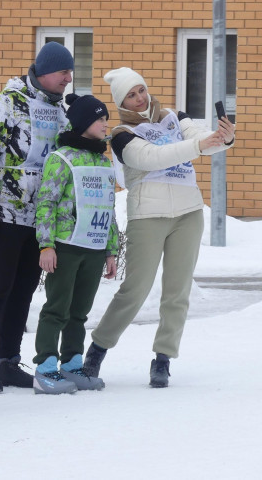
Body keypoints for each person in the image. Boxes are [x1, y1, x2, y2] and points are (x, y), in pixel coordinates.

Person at [83, 67, 235, 388]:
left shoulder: (172, 115)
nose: (140, 98)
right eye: (131, 95)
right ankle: (98, 349)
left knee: (177, 292)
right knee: (134, 291)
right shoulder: (122, 134)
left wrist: (225, 137)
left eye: (141, 90)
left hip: (188, 212)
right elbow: (152, 157)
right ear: (122, 102)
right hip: (148, 215)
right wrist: (199, 146)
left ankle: (163, 359)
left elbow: (203, 139)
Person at [0, 41, 73, 393]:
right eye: (63, 72)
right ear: (44, 70)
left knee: (24, 289)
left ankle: (8, 360)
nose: (68, 79)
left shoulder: (60, 112)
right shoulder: (8, 101)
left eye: (70, 72)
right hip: (2, 209)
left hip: (38, 214)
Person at [33, 93, 118, 394]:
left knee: (80, 311)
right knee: (58, 308)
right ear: (83, 123)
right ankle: (45, 366)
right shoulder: (61, 158)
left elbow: (109, 208)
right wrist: (46, 245)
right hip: (66, 246)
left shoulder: (104, 161)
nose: (106, 125)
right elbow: (46, 202)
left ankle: (71, 363)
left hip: (94, 248)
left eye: (106, 119)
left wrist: (111, 251)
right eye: (100, 119)